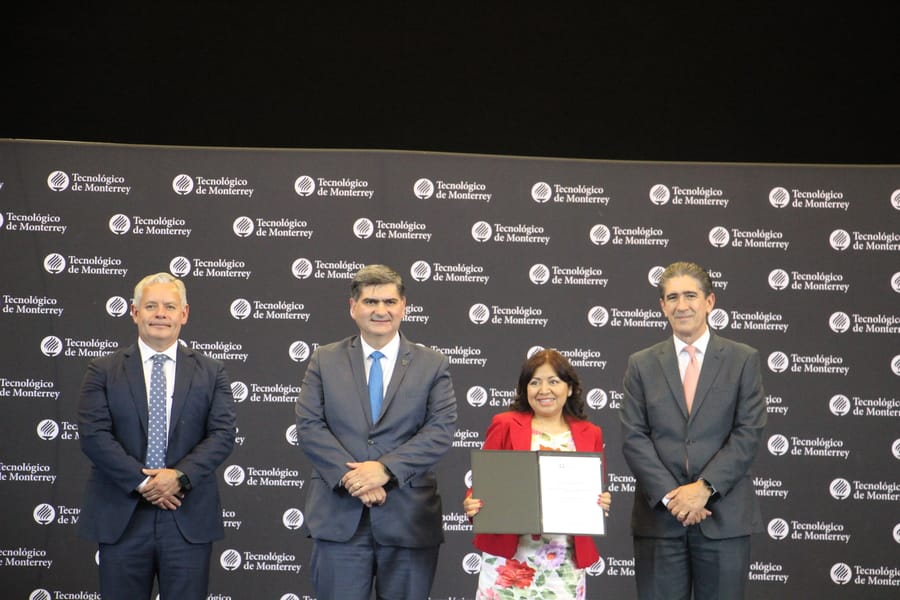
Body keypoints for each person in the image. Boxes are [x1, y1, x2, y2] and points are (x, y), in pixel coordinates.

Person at [295, 264, 458, 599]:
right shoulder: (324, 359)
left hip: (408, 522)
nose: (380, 310)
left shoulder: (433, 364)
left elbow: (439, 430)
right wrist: (355, 479)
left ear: (404, 307)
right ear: (353, 307)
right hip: (340, 518)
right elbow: (309, 426)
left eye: (389, 302)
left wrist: (384, 470)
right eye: (370, 302)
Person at [77, 272, 237, 600]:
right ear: (134, 313)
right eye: (150, 305)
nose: (160, 313)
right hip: (122, 517)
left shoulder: (211, 371)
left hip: (187, 518)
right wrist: (146, 483)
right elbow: (94, 435)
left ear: (184, 313)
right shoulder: (103, 370)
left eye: (169, 306)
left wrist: (178, 477)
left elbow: (222, 434)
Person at [620, 261, 766, 600]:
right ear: (662, 306)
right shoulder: (640, 364)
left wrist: (704, 489)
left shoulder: (743, 359)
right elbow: (633, 437)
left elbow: (749, 431)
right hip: (660, 522)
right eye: (672, 297)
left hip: (724, 518)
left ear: (709, 301)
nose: (681, 305)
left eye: (690, 295)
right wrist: (675, 497)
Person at [463, 348, 612, 600]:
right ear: (525, 389)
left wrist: (600, 502)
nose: (544, 390)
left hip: (564, 561)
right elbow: (485, 479)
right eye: (535, 382)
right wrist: (473, 501)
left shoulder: (591, 433)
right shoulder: (505, 424)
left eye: (553, 381)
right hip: (510, 559)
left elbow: (594, 490)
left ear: (570, 388)